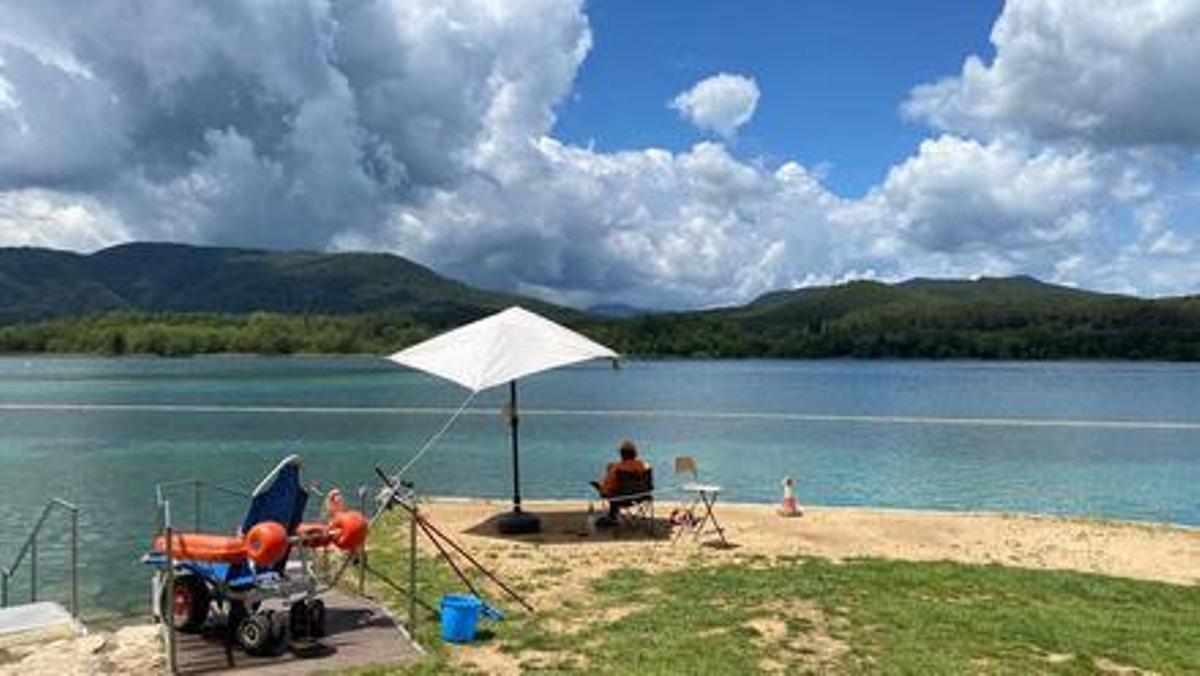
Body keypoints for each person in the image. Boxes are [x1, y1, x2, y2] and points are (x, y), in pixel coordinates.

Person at [590, 439, 650, 524]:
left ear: (622, 454)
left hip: (620, 499)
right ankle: (613, 515)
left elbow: (609, 488)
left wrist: (600, 488)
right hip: (640, 497)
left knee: (612, 493)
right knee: (616, 491)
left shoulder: (617, 468)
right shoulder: (642, 466)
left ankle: (612, 517)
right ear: (635, 454)